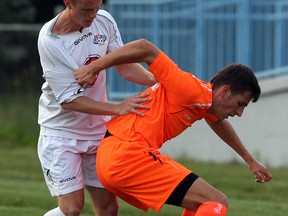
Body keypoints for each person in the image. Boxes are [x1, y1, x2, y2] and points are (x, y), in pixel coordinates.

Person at [75, 39, 273, 216]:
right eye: (240, 104)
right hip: (128, 154)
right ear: (225, 91)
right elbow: (145, 48)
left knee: (200, 205)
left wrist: (250, 160)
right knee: (215, 202)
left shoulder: (202, 101)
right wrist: (95, 67)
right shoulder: (190, 89)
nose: (239, 113)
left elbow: (218, 122)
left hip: (111, 157)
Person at [37, 0, 156, 215]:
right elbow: (68, 101)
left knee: (108, 207)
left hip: (98, 133)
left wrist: (157, 81)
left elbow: (126, 67)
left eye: (96, 7)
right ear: (68, 3)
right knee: (71, 209)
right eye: (86, 10)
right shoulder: (50, 39)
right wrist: (118, 108)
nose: (93, 14)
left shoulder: (104, 19)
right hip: (61, 133)